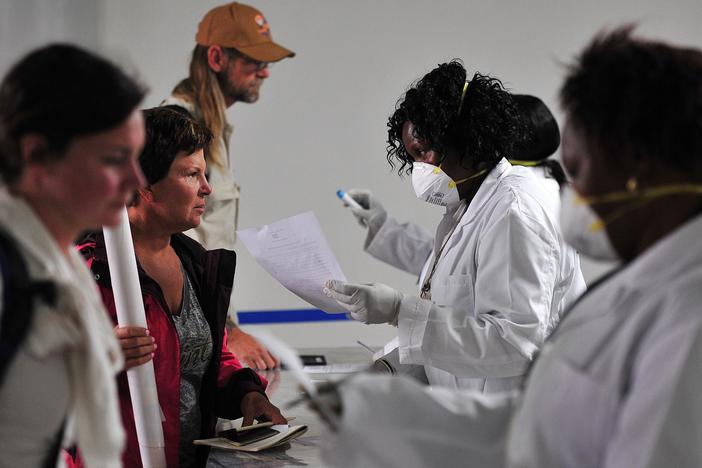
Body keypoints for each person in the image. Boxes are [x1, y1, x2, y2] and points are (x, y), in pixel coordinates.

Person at [321, 26, 702, 467]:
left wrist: (399, 315)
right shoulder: (640, 282)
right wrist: (389, 385)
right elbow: (547, 419)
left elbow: (519, 345)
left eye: (576, 169)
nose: (571, 190)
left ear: (637, 165)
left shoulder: (683, 314)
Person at [325, 62, 585, 392]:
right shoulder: (467, 207)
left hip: (518, 423)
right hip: (473, 418)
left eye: (423, 152)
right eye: (412, 157)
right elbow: (452, 320)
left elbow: (515, 345)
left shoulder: (514, 211)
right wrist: (390, 369)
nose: (420, 168)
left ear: (466, 138)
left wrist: (399, 311)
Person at [78, 107, 286, 468]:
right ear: (142, 185)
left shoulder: (195, 263)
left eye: (204, 173)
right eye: (192, 174)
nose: (207, 188)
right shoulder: (88, 269)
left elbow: (207, 357)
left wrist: (247, 394)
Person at [0, 44, 145, 467]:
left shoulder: (57, 265)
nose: (135, 180)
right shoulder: (11, 273)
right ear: (37, 154)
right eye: (115, 159)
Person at [163, 1, 295, 369]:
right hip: (188, 329)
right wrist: (228, 332)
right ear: (218, 58)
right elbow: (172, 243)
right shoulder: (177, 130)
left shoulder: (209, 131)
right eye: (255, 62)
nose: (265, 73)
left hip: (206, 325)